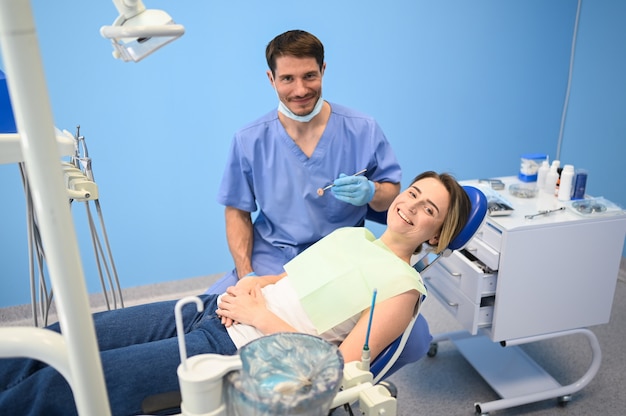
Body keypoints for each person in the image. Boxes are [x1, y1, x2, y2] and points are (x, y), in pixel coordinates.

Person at [0, 172, 470, 416]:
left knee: (67, 385)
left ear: (437, 234)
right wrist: (253, 284)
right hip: (215, 311)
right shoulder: (354, 237)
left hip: (240, 348)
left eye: (429, 208)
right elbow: (287, 281)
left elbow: (338, 369)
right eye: (412, 193)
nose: (410, 205)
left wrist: (260, 317)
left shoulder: (404, 288)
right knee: (61, 338)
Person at [209, 29, 402, 294]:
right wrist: (246, 275)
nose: (300, 90)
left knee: (398, 330)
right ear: (271, 79)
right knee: (209, 314)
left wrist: (372, 191)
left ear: (323, 70)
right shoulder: (249, 140)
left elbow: (391, 197)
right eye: (287, 78)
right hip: (272, 258)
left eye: (309, 76)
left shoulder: (362, 129)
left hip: (341, 261)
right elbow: (236, 211)